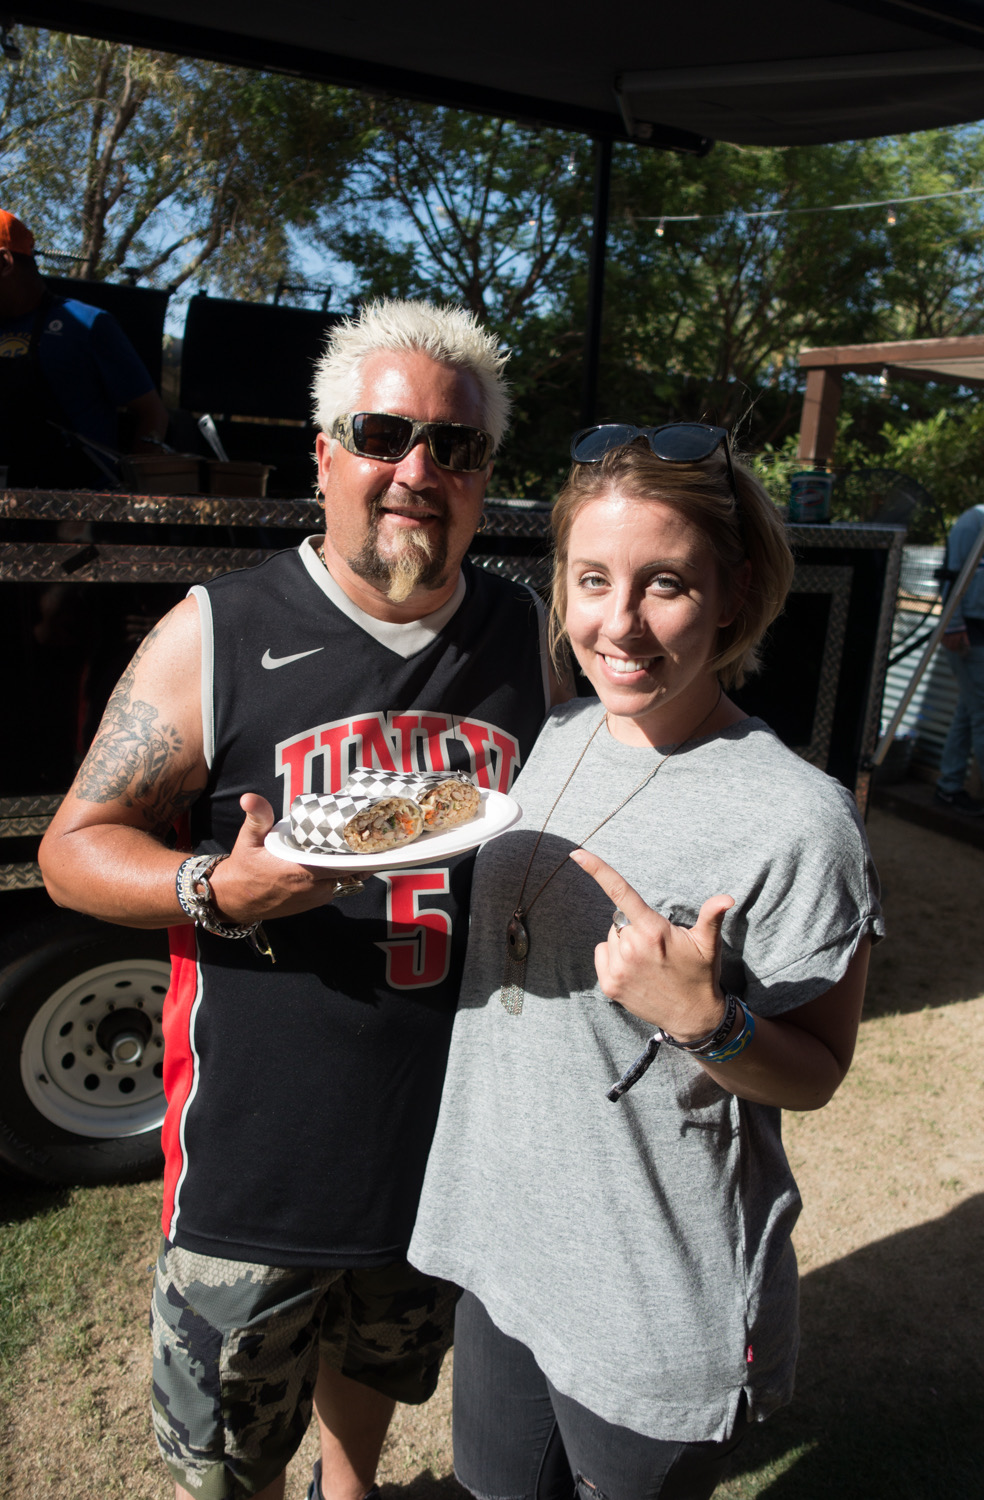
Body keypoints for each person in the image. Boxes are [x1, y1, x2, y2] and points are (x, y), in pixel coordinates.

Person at [38, 298, 556, 1500]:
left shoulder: (526, 631)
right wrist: (217, 885)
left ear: (483, 478)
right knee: (229, 1458)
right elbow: (73, 850)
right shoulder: (219, 629)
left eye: (456, 446)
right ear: (324, 455)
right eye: (383, 435)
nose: (417, 470)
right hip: (257, 1160)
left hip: (441, 1144)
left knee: (379, 1361)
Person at [408, 423, 884, 1500]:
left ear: (733, 592)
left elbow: (815, 1074)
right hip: (502, 1242)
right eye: (592, 580)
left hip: (650, 1297)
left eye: (664, 583)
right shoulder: (558, 735)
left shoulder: (797, 820)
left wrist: (708, 1022)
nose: (617, 625)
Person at [0, 208, 168, 486]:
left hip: (78, 505)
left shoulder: (87, 324)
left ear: (5, 262)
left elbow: (152, 414)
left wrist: (133, 493)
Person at [934, 500, 984, 818]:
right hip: (970, 633)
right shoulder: (976, 520)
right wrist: (952, 623)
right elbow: (952, 574)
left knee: (970, 712)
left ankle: (949, 786)